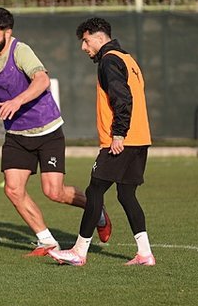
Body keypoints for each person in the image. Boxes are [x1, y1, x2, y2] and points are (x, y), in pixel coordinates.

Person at [0, 7, 111, 256]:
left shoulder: (21, 51)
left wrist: (17, 101)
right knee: (13, 189)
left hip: (47, 131)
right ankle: (47, 241)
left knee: (54, 192)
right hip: (17, 135)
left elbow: (42, 79)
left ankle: (97, 210)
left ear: (8, 32)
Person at [49, 18, 155, 266]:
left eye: (86, 41)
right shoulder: (128, 59)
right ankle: (145, 254)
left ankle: (79, 252)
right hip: (140, 139)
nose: (83, 47)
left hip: (121, 141)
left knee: (94, 190)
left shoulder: (109, 60)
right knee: (126, 194)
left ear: (99, 37)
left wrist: (118, 134)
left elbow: (122, 98)